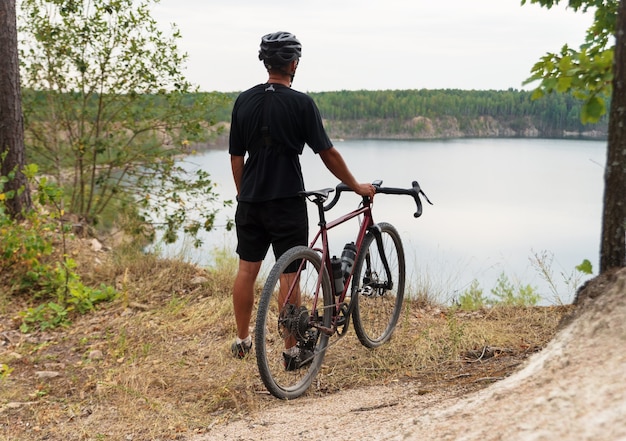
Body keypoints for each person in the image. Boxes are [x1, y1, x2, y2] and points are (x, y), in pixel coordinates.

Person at [229, 31, 375, 367]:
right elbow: (327, 153)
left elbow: (236, 157)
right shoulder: (301, 103)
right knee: (289, 274)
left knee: (246, 271)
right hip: (286, 200)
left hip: (250, 200)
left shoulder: (243, 101)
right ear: (293, 64)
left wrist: (243, 194)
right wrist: (354, 185)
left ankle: (241, 339)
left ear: (265, 63)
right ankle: (292, 350)